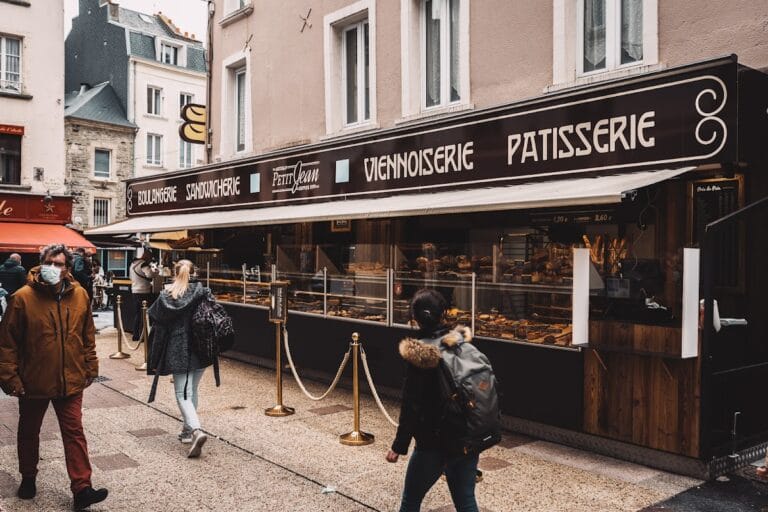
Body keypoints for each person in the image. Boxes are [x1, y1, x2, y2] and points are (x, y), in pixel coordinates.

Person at [0, 244, 108, 510]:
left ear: (67, 268)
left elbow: (87, 336)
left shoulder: (80, 295)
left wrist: (90, 367)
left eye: (60, 264)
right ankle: (28, 476)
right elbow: (7, 343)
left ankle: (82, 488)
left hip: (71, 378)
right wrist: (10, 378)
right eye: (50, 262)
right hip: (34, 380)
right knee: (29, 431)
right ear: (41, 263)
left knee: (74, 432)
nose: (54, 268)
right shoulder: (22, 298)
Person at [386, 288, 479, 512]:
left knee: (410, 501)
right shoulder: (461, 345)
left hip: (433, 442)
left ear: (414, 318)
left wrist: (399, 446)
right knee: (466, 500)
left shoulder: (420, 354)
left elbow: (412, 404)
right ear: (443, 314)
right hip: (466, 437)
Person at [147, 259, 211, 458]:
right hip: (201, 349)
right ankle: (187, 431)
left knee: (183, 394)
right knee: (191, 392)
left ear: (174, 273)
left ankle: (196, 430)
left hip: (178, 349)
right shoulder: (204, 292)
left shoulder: (166, 296)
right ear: (195, 272)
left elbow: (153, 318)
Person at [129, 248, 158, 341]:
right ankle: (143, 336)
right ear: (146, 256)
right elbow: (150, 275)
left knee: (138, 314)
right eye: (150, 257)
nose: (150, 259)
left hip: (134, 291)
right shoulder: (144, 264)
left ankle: (135, 335)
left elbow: (131, 277)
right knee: (144, 314)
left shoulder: (133, 264)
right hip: (143, 292)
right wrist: (155, 271)